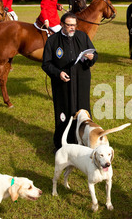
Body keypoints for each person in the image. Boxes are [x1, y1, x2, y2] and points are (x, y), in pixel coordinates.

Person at [42, 12, 98, 150]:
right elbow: (46, 64)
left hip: (81, 81)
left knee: (82, 112)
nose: (72, 28)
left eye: (74, 25)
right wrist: (58, 73)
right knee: (64, 113)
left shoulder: (82, 36)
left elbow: (95, 54)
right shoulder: (53, 41)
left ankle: (83, 143)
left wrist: (92, 57)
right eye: (69, 25)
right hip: (62, 83)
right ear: (62, 24)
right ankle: (62, 145)